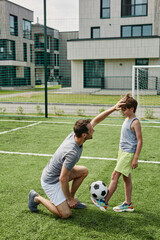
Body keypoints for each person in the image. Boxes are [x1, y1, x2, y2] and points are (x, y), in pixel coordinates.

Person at [28, 98, 125, 219]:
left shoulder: (75, 134)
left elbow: (96, 120)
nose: (93, 130)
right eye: (91, 130)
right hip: (51, 181)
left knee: (83, 171)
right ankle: (37, 197)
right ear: (84, 135)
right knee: (65, 214)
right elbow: (63, 179)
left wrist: (113, 108)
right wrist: (67, 199)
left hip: (58, 175)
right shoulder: (72, 152)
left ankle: (72, 199)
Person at [91, 93, 143, 212]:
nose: (122, 112)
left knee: (114, 175)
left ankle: (104, 202)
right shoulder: (127, 118)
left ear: (132, 109)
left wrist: (135, 158)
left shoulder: (135, 122)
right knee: (126, 178)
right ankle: (128, 204)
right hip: (122, 152)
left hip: (128, 154)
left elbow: (140, 141)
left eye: (124, 110)